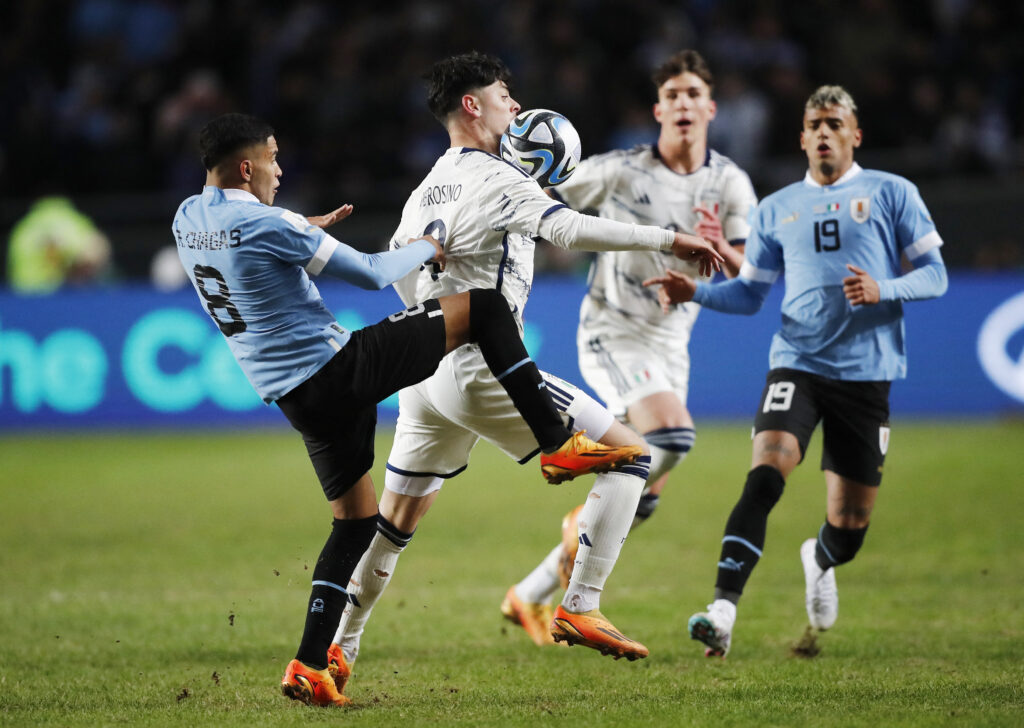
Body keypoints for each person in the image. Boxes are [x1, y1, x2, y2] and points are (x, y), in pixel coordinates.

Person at [173, 112, 645, 707]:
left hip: (293, 397)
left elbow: (247, 241)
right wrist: (428, 246)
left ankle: (311, 664)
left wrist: (300, 228)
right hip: (338, 369)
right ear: (247, 167)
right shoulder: (269, 223)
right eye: (272, 159)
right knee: (483, 309)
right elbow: (372, 274)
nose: (279, 170)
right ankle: (555, 443)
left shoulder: (188, 217)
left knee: (356, 524)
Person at [327, 51, 723, 695]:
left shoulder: (427, 186)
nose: (514, 104)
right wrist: (668, 239)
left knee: (393, 527)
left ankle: (337, 650)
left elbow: (400, 270)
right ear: (472, 105)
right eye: (503, 94)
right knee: (632, 455)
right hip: (485, 369)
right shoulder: (500, 177)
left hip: (427, 372)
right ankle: (580, 602)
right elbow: (569, 229)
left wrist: (434, 326)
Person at [643, 85, 948, 657]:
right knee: (764, 476)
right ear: (802, 138)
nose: (824, 133)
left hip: (866, 373)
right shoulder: (776, 208)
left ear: (855, 135)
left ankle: (821, 558)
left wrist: (884, 288)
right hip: (797, 363)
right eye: (815, 125)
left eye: (835, 123)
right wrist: (696, 292)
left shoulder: (892, 192)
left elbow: (936, 275)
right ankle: (722, 612)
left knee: (849, 529)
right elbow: (751, 294)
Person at [501, 50, 758, 646]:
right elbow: (546, 186)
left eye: (694, 94)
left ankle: (528, 593)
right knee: (671, 437)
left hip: (672, 343)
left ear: (711, 109)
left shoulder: (730, 183)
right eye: (673, 96)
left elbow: (747, 273)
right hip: (612, 329)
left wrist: (720, 251)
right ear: (659, 110)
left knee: (638, 490)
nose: (683, 104)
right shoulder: (620, 170)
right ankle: (575, 550)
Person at [6, 195, 112, 293]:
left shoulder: (23, 226)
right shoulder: (75, 222)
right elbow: (94, 253)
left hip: (21, 293)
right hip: (58, 295)